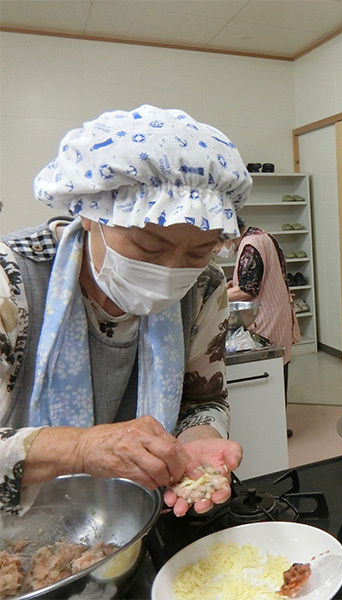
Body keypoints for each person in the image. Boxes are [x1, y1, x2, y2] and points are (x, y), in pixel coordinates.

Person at [0, 104, 252, 517]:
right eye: (148, 246)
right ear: (89, 213)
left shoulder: (205, 287)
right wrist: (80, 448)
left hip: (134, 517)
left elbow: (202, 398)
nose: (168, 271)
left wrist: (198, 437)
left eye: (199, 251)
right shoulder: (12, 280)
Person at [225, 217, 300, 436]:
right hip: (278, 312)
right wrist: (235, 283)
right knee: (280, 371)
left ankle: (271, 430)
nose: (218, 248)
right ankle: (277, 424)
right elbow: (256, 278)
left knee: (269, 374)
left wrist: (216, 295)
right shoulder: (263, 235)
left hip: (265, 317)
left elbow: (248, 290)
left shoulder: (250, 247)